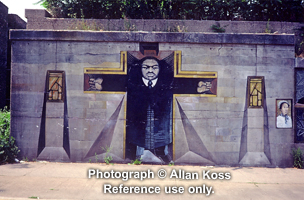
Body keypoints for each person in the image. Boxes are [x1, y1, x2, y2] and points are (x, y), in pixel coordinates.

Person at [126, 56, 173, 164]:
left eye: (154, 67)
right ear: (140, 68)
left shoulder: (167, 87)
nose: (150, 71)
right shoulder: (132, 86)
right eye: (146, 67)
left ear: (160, 69)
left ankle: (161, 154)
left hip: (161, 134)